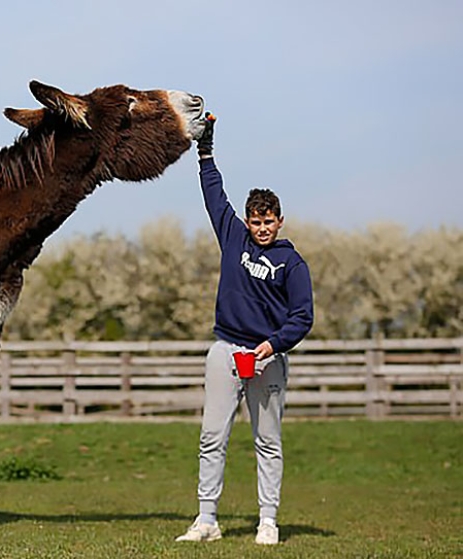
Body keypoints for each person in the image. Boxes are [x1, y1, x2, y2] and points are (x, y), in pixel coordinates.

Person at [175, 113, 314, 546]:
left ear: (280, 220)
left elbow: (302, 317)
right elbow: (214, 197)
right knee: (211, 437)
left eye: (268, 221)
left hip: (266, 358)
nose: (262, 228)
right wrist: (206, 150)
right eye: (256, 221)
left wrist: (273, 346)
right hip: (226, 351)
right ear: (249, 221)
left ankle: (267, 521)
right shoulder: (234, 238)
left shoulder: (292, 264)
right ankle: (207, 520)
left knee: (267, 441)